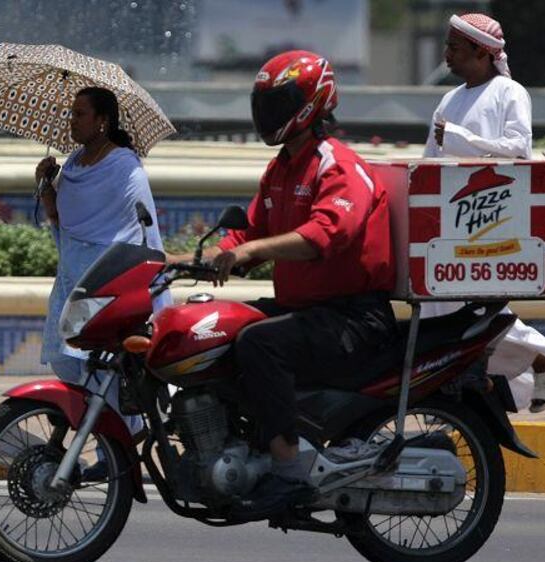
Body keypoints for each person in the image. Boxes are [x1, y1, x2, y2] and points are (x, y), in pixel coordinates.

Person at [170, 50, 397, 520]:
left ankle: (288, 470)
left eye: (282, 101)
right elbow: (249, 229)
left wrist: (253, 252)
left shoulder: (338, 165)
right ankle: (246, 442)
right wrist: (192, 258)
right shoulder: (281, 169)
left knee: (259, 343)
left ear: (313, 104)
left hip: (353, 318)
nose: (269, 112)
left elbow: (327, 234)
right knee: (221, 327)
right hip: (312, 311)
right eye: (265, 102)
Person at [421, 13, 545, 413]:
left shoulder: (510, 92)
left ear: (480, 52)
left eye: (454, 46)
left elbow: (518, 151)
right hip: (451, 223)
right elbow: (429, 165)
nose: (447, 53)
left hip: (495, 220)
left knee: (478, 311)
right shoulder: (448, 100)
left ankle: (543, 355)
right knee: (444, 313)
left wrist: (458, 139)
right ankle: (507, 378)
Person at [35, 87, 168, 476]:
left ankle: (121, 440)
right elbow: (63, 221)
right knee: (67, 360)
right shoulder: (74, 163)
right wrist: (47, 186)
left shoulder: (124, 166)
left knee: (98, 364)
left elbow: (141, 228)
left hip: (103, 281)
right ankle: (119, 436)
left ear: (102, 120)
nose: (71, 120)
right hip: (72, 276)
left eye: (79, 114)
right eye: (71, 113)